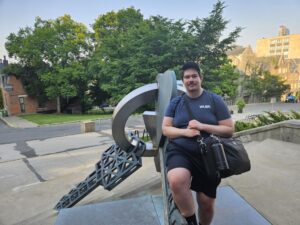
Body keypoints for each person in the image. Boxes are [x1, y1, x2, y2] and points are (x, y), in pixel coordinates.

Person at [162, 62, 234, 225]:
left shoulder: (214, 100)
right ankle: (191, 221)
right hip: (180, 151)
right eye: (187, 77)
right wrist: (185, 132)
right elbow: (166, 129)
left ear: (201, 78)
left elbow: (229, 130)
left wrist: (202, 126)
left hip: (208, 154)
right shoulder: (175, 103)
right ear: (183, 81)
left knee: (206, 203)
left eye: (194, 76)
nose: (191, 79)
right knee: (176, 179)